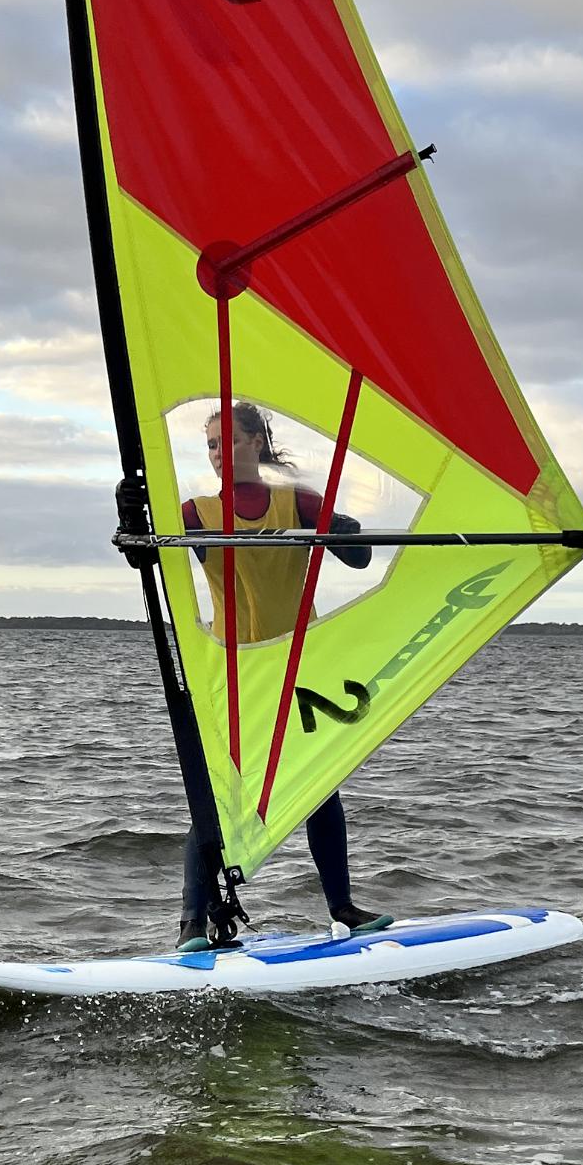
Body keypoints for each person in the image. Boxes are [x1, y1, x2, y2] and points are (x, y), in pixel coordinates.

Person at [177, 401, 392, 951]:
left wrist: (343, 529)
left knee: (321, 786)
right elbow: (146, 561)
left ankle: (343, 908)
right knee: (216, 794)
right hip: (233, 667)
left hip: (299, 662)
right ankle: (192, 925)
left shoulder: (297, 502)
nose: (219, 453)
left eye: (229, 440)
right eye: (211, 445)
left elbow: (360, 558)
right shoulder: (196, 513)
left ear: (257, 442)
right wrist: (131, 515)